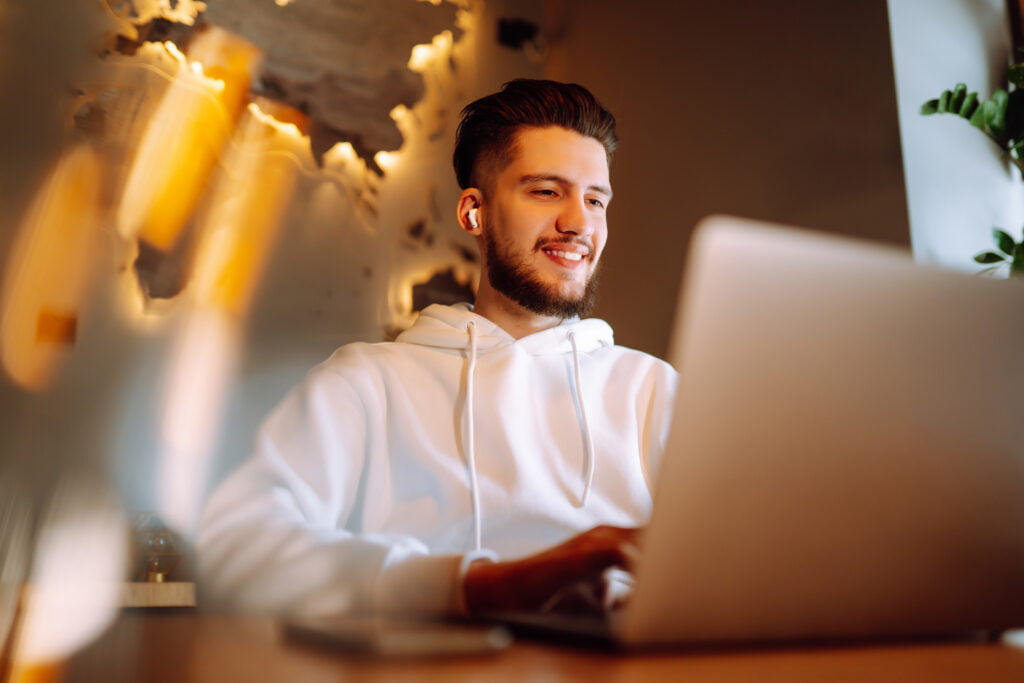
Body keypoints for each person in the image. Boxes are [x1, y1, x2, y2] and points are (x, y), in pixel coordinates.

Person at [198, 79, 678, 619]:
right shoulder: (366, 383)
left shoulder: (654, 390)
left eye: (595, 199)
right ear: (474, 211)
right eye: (547, 191)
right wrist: (478, 586)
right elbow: (235, 544)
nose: (579, 223)